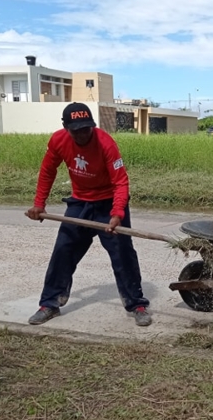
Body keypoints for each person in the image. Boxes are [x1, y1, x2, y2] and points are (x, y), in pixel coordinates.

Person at [25, 102, 152, 327]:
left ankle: (136, 304)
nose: (83, 134)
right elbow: (47, 171)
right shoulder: (58, 141)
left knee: (123, 253)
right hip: (80, 203)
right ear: (66, 127)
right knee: (63, 250)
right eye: (77, 130)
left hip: (109, 203)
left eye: (87, 128)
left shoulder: (105, 143)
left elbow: (121, 181)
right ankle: (49, 303)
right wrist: (38, 204)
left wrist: (117, 213)